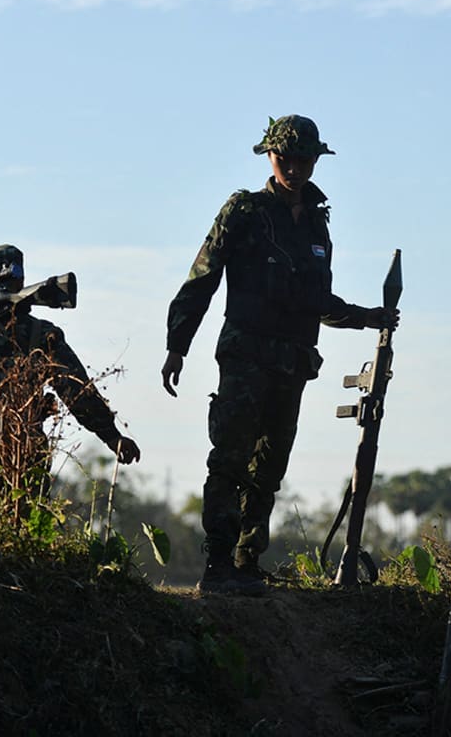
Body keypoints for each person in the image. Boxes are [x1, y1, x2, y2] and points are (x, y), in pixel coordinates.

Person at [162, 115, 397, 595]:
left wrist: (366, 316)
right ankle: (219, 565)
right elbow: (201, 279)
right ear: (270, 157)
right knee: (229, 458)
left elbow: (317, 301)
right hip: (245, 356)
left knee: (268, 468)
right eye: (284, 158)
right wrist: (177, 345)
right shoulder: (244, 211)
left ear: (315, 161)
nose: (294, 167)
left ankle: (248, 562)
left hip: (292, 362)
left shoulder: (316, 221)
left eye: (303, 159)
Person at [0, 244, 140, 492]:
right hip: (27, 455)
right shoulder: (42, 333)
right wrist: (112, 437)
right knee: (26, 525)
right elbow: (78, 393)